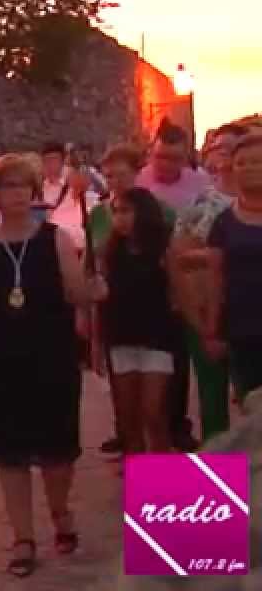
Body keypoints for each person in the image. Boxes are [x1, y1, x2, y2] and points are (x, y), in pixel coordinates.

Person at [0, 153, 95, 578]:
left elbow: (75, 292)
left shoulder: (55, 239)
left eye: (22, 186)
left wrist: (94, 289)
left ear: (33, 192)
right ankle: (22, 536)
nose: (15, 194)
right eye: (6, 187)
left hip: (50, 354)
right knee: (8, 452)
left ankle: (60, 511)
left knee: (57, 450)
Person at [169, 124, 248, 442]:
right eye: (219, 148)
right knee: (213, 405)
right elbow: (178, 261)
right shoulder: (199, 205)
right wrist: (199, 322)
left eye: (233, 148)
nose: (225, 154)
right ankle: (220, 485)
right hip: (208, 315)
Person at [138, 122, 213, 452]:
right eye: (159, 157)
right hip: (148, 280)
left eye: (173, 158)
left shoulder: (201, 185)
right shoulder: (141, 181)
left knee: (180, 356)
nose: (165, 165)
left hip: (187, 278)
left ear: (185, 158)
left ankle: (180, 426)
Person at [98, 188, 179, 457]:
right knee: (128, 414)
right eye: (116, 212)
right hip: (121, 336)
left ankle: (163, 471)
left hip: (157, 336)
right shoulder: (110, 252)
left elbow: (178, 291)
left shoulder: (163, 247)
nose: (120, 218)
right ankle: (138, 474)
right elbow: (102, 299)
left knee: (153, 411)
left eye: (126, 211)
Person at [206, 134, 262, 401]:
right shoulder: (222, 223)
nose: (250, 168)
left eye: (257, 162)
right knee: (251, 414)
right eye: (242, 163)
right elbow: (215, 281)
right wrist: (212, 331)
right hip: (243, 334)